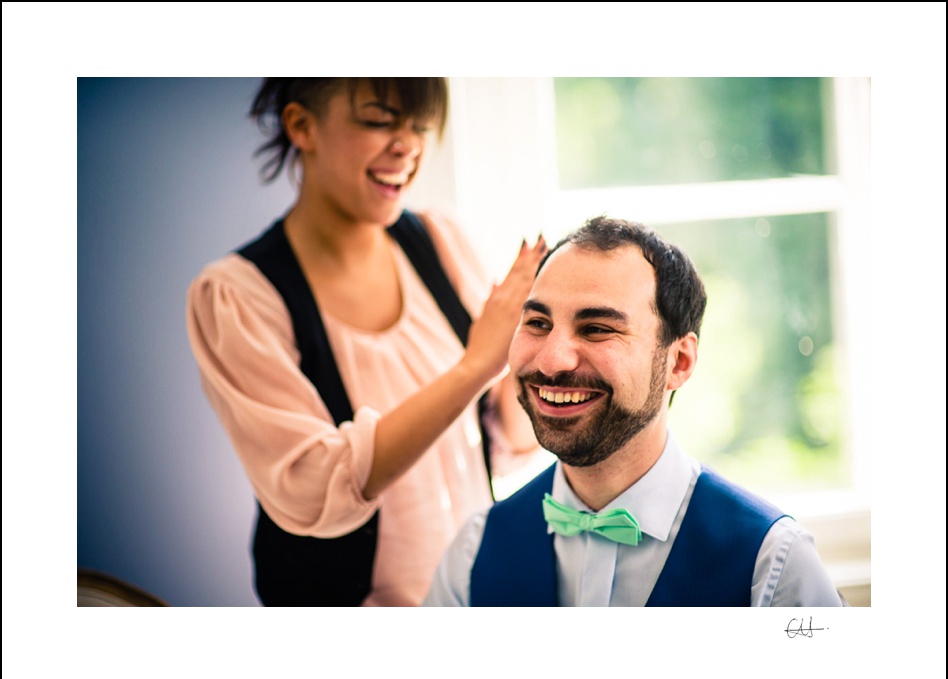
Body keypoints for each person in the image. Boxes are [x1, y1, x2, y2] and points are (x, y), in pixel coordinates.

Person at [186, 78, 546, 607]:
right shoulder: (238, 295)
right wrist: (474, 366)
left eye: (419, 125)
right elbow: (315, 485)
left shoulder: (441, 239)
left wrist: (529, 354)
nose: (408, 146)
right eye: (379, 120)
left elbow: (501, 439)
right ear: (301, 126)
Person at [424, 215, 845, 607]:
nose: (552, 362)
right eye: (537, 323)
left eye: (597, 329)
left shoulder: (774, 566)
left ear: (678, 363)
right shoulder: (469, 556)